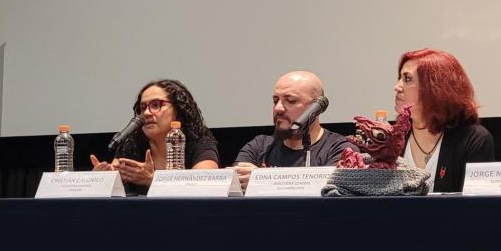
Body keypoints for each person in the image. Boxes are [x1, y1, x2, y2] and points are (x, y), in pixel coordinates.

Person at [90, 79, 219, 194]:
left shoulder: (198, 142)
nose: (146, 113)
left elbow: (205, 187)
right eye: (143, 107)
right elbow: (113, 185)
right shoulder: (132, 144)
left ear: (178, 109)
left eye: (156, 105)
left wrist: (152, 180)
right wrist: (102, 180)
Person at [232, 71, 356, 188]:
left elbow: (332, 190)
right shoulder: (259, 146)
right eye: (275, 101)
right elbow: (234, 182)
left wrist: (261, 179)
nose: (278, 108)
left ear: (316, 108)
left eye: (290, 101)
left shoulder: (341, 149)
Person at [394, 48, 494, 192]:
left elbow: (475, 204)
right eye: (399, 78)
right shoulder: (393, 137)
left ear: (435, 87)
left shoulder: (473, 140)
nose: (397, 87)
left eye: (407, 79)